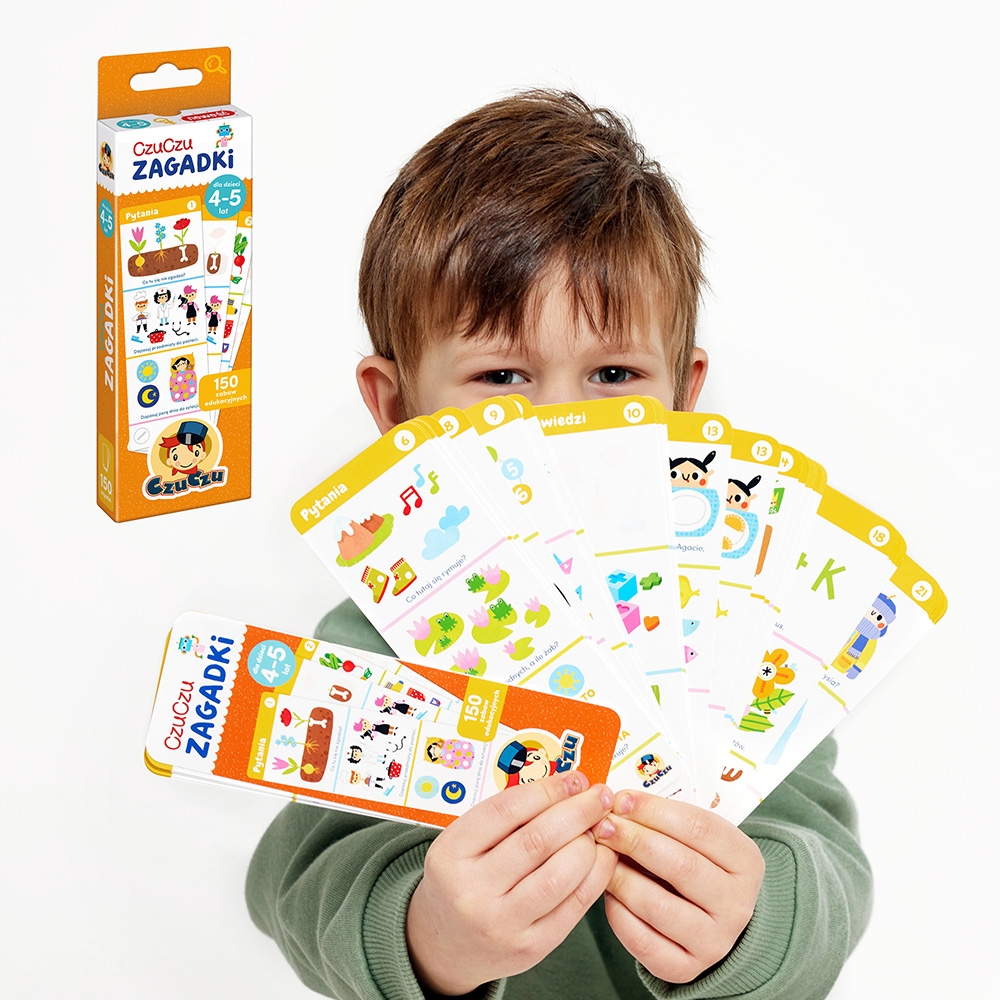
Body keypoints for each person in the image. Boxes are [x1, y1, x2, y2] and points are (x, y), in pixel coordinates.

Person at [246, 90, 871, 999]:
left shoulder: (741, 620)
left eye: (614, 373)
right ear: (397, 409)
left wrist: (753, 926)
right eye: (502, 377)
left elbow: (830, 868)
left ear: (682, 399)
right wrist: (431, 937)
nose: (560, 429)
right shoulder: (377, 632)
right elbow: (297, 883)